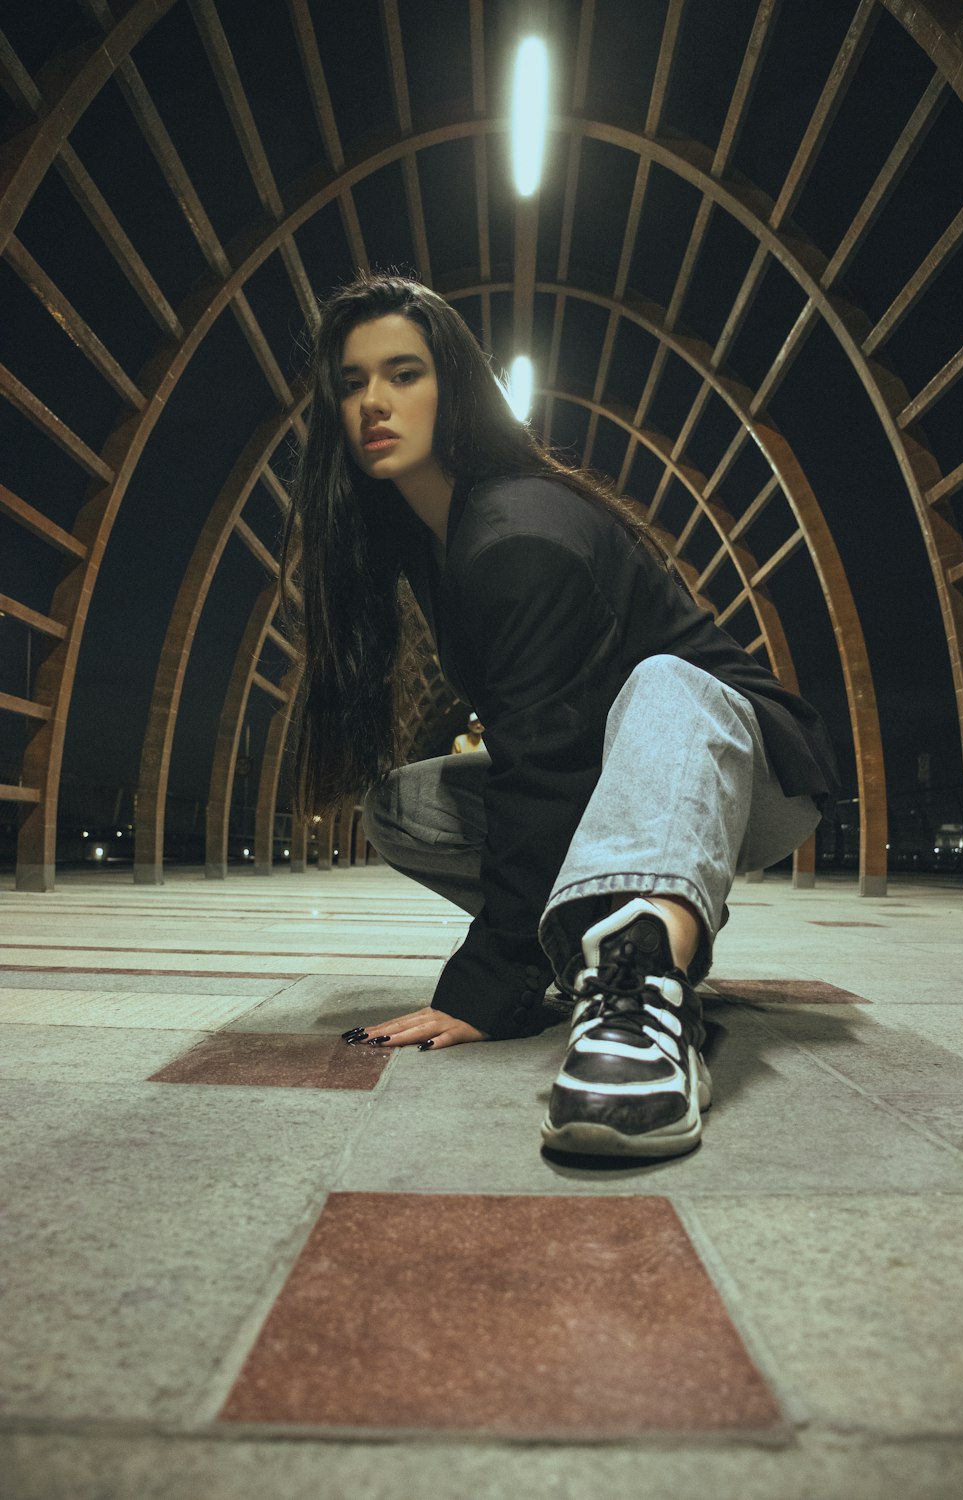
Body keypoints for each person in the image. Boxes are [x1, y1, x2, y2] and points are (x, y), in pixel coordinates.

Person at [282, 274, 837, 1160]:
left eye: (404, 373)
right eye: (352, 383)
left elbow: (541, 766)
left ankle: (640, 991)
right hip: (610, 772)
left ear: (455, 388)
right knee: (401, 807)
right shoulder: (432, 542)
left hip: (736, 759)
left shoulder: (517, 532)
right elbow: (540, 754)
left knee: (665, 682)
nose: (374, 403)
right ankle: (607, 928)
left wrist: (487, 985)